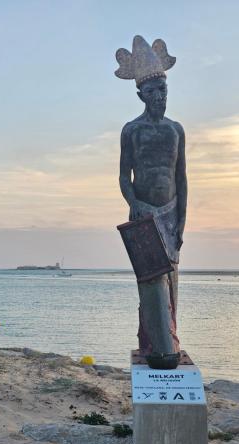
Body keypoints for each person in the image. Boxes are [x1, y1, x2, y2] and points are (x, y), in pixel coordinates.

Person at [115, 36, 187, 367]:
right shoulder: (132, 130)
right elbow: (123, 178)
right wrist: (136, 203)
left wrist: (182, 221)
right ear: (140, 94)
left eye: (164, 90)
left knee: (171, 278)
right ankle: (160, 350)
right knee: (151, 281)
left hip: (171, 214)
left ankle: (167, 338)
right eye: (153, 91)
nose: (159, 96)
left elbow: (181, 178)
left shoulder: (176, 130)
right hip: (144, 214)